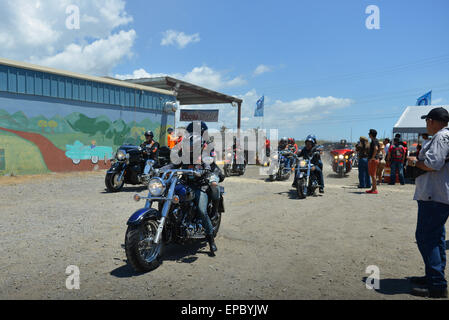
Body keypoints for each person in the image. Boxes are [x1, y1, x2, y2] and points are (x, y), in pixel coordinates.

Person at [406, 107, 449, 298]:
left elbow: (433, 164)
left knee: (426, 238)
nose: (426, 125)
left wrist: (414, 162)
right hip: (438, 194)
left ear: (431, 121)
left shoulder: (441, 138)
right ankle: (433, 276)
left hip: (434, 195)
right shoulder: (444, 137)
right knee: (436, 237)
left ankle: (437, 285)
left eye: (426, 121)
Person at [164, 123, 224, 255]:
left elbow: (209, 162)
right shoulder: (184, 148)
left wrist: (205, 169)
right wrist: (161, 170)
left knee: (202, 211)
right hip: (185, 182)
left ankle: (210, 239)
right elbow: (174, 163)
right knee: (165, 195)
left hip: (200, 184)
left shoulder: (207, 148)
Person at [366, 129, 380, 194]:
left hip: (373, 160)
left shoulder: (374, 141)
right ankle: (373, 189)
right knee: (373, 174)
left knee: (373, 175)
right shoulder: (376, 140)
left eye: (369, 133)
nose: (368, 134)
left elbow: (376, 149)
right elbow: (378, 149)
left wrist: (372, 158)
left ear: (371, 134)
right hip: (376, 159)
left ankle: (374, 190)